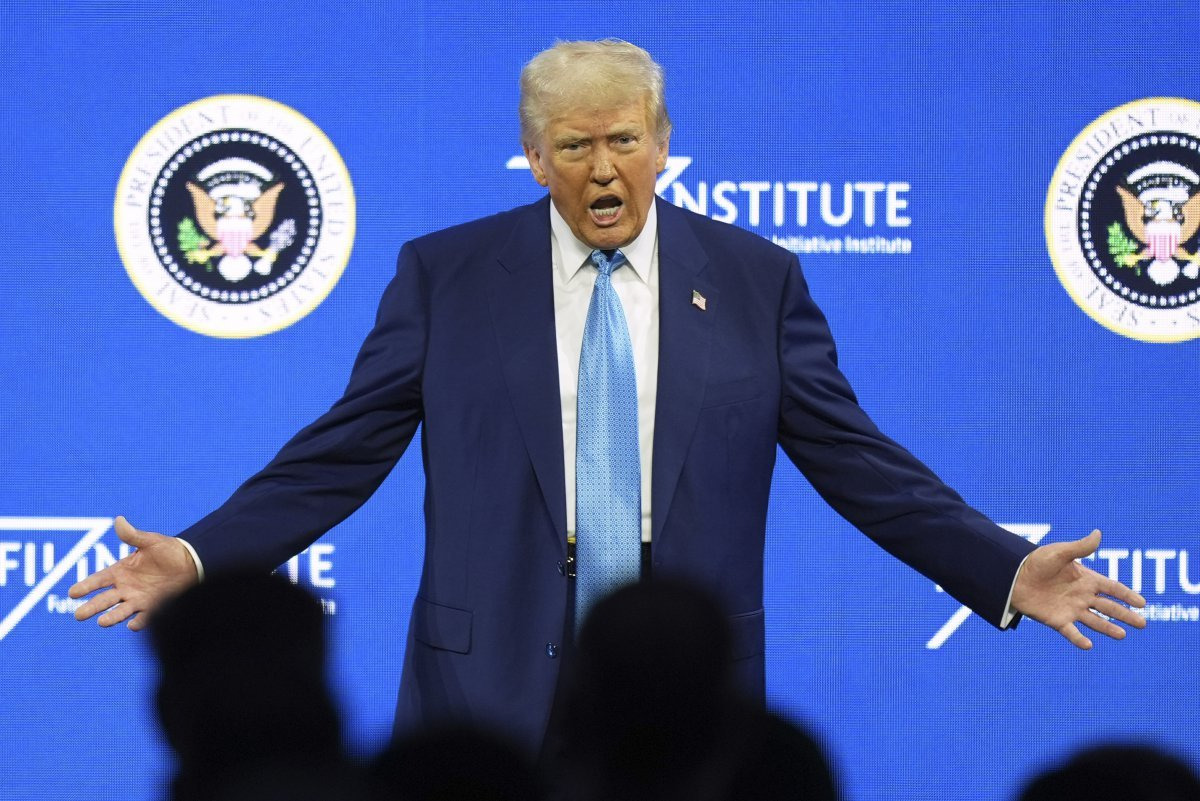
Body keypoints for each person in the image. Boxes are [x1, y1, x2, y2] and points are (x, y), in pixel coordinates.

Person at [71, 39, 1147, 757]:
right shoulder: (447, 275)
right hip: (484, 675)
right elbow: (340, 451)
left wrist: (1001, 566)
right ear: (534, 157)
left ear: (664, 144)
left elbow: (856, 458)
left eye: (624, 140)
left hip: (683, 676)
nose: (603, 169)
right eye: (576, 145)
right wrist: (202, 557)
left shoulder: (756, 280)